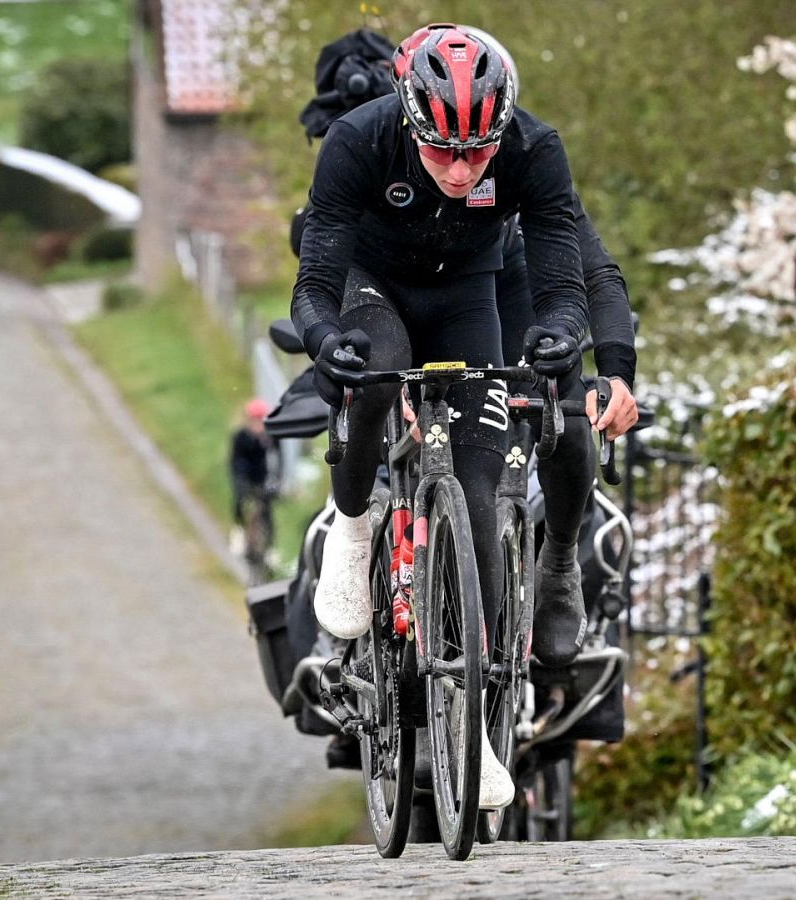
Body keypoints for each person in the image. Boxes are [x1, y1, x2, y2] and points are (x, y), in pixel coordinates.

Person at [292, 23, 603, 809]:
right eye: (442, 153)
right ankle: (355, 523)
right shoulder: (359, 143)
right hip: (375, 286)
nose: (462, 171)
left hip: (469, 293)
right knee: (369, 381)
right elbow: (315, 281)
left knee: (476, 483)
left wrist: (563, 331)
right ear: (409, 117)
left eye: (478, 153)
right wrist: (326, 339)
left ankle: (475, 726)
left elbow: (565, 266)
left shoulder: (534, 148)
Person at [229, 398, 280, 556]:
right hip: (245, 474)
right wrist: (240, 480)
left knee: (267, 509)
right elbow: (236, 461)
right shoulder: (241, 437)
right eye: (255, 420)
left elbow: (278, 457)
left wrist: (277, 478)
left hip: (262, 476)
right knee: (240, 501)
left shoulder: (269, 437)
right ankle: (238, 530)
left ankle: (271, 548)